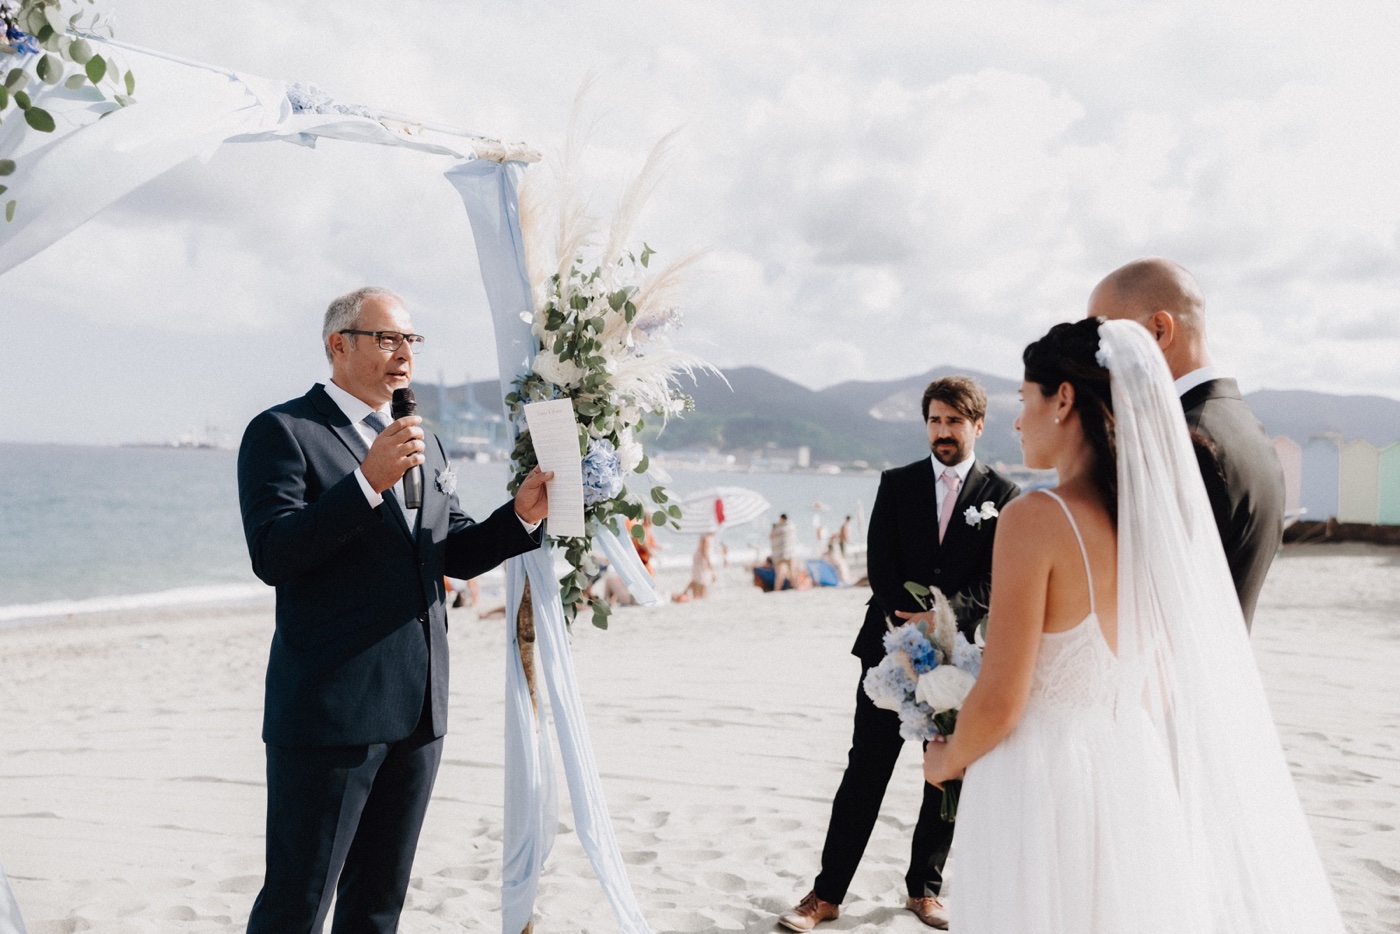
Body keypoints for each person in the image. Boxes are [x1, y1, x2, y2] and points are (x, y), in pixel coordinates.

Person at [923, 318, 1343, 933]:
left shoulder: (1035, 517)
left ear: (1062, 399)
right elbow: (1156, 681)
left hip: (1040, 777)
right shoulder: (1150, 523)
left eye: (1024, 397)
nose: (1017, 421)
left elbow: (1003, 700)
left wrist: (948, 759)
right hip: (1127, 765)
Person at [236, 286, 551, 933]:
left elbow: (450, 548)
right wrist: (365, 484)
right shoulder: (284, 432)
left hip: (418, 710)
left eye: (411, 340)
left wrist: (520, 516)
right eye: (387, 339)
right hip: (331, 716)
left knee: (378, 908)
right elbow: (273, 553)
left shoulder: (423, 439)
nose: (404, 354)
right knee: (296, 906)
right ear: (338, 345)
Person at [780, 377, 1018, 931]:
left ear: (977, 425)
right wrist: (908, 621)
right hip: (888, 649)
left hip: (959, 656)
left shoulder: (1003, 495)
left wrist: (943, 617)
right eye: (935, 421)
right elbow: (880, 563)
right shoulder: (897, 483)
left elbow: (994, 578)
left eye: (953, 421)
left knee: (947, 772)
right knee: (865, 770)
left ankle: (924, 890)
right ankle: (826, 895)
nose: (942, 432)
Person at [1088, 258, 1284, 628]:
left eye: (1103, 340)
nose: (1096, 360)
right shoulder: (1245, 426)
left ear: (1159, 330)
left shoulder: (1186, 443)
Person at [674, 531, 716, 602]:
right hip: (701, 559)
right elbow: (704, 553)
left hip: (699, 558)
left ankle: (684, 593)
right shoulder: (706, 538)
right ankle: (687, 595)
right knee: (702, 578)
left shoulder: (705, 536)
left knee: (697, 577)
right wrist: (710, 566)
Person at [769, 513, 797, 591]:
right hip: (789, 552)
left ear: (781, 519)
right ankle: (796, 589)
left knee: (779, 575)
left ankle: (777, 590)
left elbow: (771, 537)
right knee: (792, 572)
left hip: (779, 554)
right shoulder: (791, 527)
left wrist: (775, 526)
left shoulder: (777, 528)